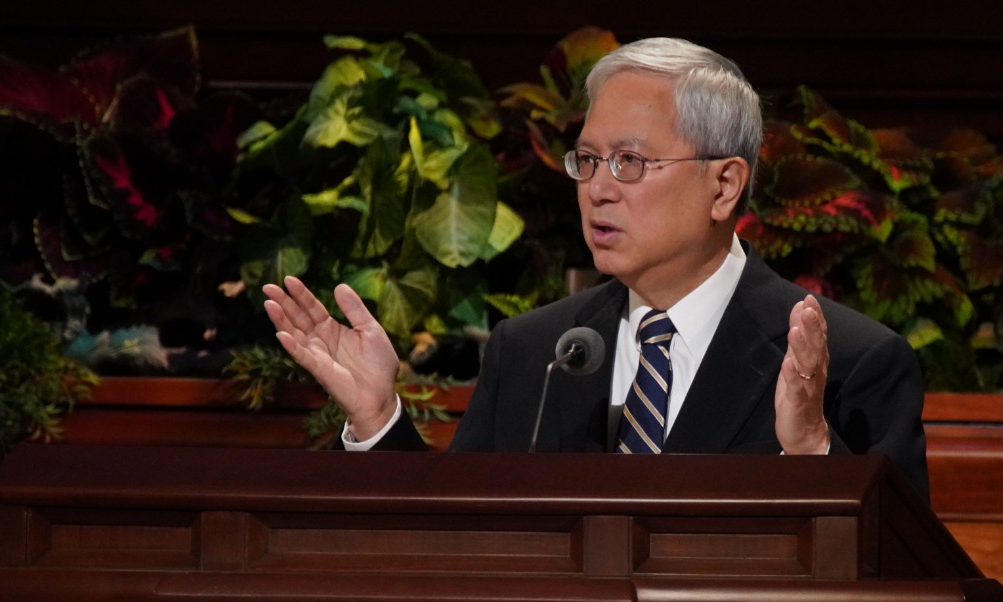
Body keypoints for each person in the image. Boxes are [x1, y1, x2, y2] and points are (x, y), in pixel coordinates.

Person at [261, 36, 929, 498]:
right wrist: (379, 420)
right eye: (587, 160)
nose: (598, 189)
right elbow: (457, 541)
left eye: (630, 162)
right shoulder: (534, 354)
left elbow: (903, 588)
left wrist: (812, 452)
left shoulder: (852, 364)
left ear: (725, 185)